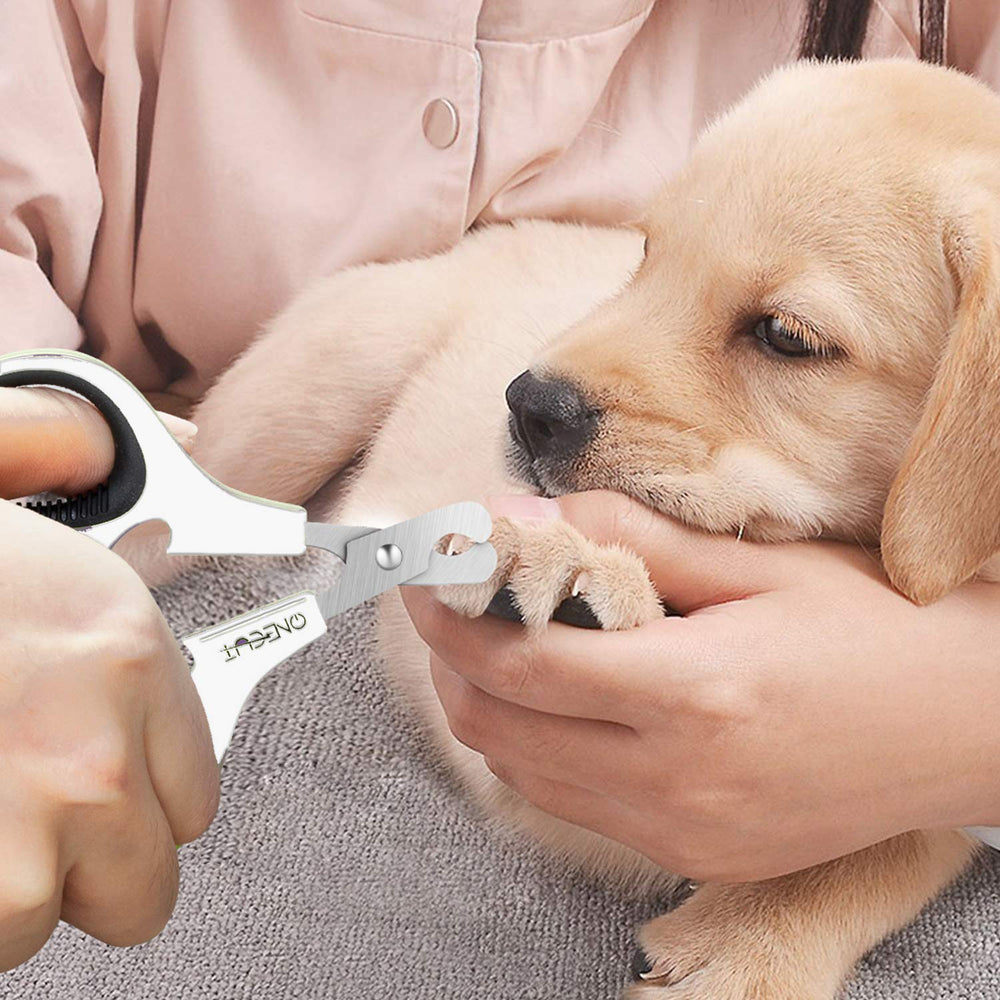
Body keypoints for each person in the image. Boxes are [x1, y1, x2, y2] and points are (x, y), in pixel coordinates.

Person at [2, 0, 999, 975]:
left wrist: (960, 712)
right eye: (650, 247)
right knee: (306, 387)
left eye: (785, 336)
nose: (551, 380)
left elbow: (930, 809)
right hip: (337, 393)